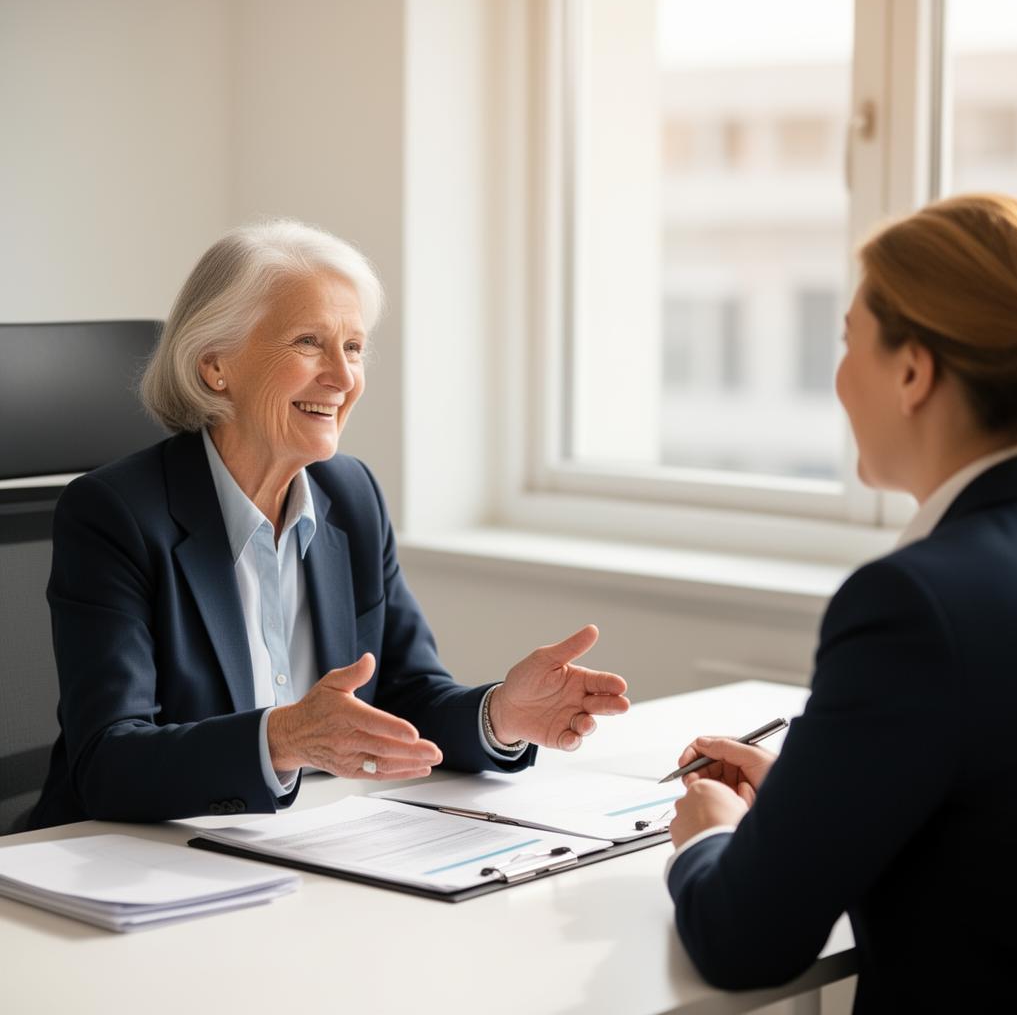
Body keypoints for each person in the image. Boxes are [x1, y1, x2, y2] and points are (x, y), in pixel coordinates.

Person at [30, 219, 629, 829]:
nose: (342, 379)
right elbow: (108, 764)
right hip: (127, 862)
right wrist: (282, 739)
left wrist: (500, 713)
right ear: (216, 366)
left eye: (354, 347)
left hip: (312, 843)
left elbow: (406, 695)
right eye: (308, 342)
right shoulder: (115, 514)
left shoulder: (352, 494)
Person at [665, 193, 1017, 1010]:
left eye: (847, 341)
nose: (836, 379)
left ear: (911, 370)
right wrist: (815, 795)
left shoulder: (914, 604)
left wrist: (712, 835)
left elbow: (742, 939)